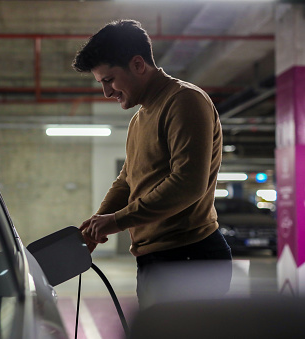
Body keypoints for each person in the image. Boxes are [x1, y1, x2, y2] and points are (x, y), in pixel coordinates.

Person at [73, 20, 232, 309]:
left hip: (189, 258)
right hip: (159, 258)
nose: (107, 92)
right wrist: (97, 224)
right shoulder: (140, 118)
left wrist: (117, 221)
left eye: (109, 80)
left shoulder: (184, 101)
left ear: (137, 64)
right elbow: (126, 181)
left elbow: (187, 183)